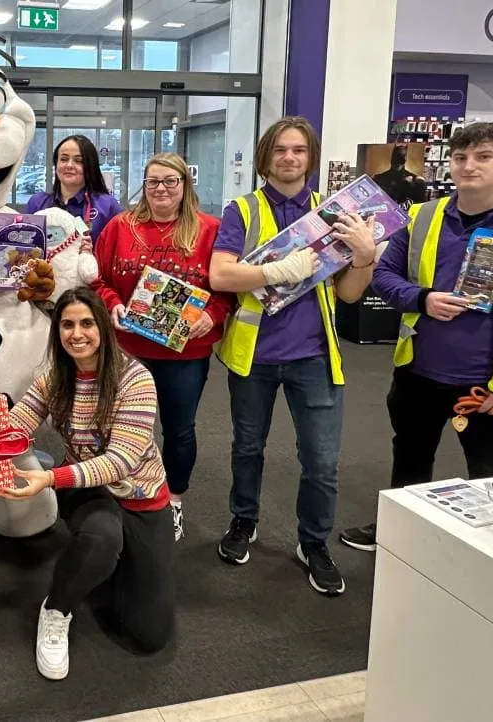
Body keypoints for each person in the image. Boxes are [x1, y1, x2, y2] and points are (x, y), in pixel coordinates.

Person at [339, 122, 493, 552]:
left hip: (491, 385)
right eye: (460, 158)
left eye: (483, 156)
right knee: (410, 459)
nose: (468, 166)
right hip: (418, 372)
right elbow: (384, 276)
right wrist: (422, 299)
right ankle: (397, 533)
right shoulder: (423, 216)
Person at [209, 116, 377, 596]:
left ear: (311, 157)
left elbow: (349, 293)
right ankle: (244, 520)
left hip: (314, 357)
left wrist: (364, 256)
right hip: (254, 356)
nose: (289, 158)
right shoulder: (243, 210)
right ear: (265, 156)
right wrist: (280, 270)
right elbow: (221, 276)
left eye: (299, 150)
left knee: (321, 462)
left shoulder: (336, 212)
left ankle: (313, 542)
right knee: (247, 447)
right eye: (280, 149)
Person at [5, 287, 173, 681]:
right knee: (101, 537)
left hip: (141, 495)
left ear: (103, 328)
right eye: (67, 325)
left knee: (148, 635)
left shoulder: (135, 379)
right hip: (85, 489)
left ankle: (110, 563)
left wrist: (49, 478)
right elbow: (14, 427)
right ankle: (56, 609)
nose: (76, 333)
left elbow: (120, 462)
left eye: (86, 323)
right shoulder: (53, 380)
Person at [90, 152, 231, 542]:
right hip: (127, 349)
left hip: (185, 354)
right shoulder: (120, 227)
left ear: (185, 185)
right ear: (144, 185)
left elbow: (227, 289)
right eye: (153, 181)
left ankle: (173, 501)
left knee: (179, 430)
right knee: (117, 426)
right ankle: (118, 494)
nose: (161, 189)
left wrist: (213, 315)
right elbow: (96, 280)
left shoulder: (210, 230)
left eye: (171, 181)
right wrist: (112, 303)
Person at [26, 134, 124, 245]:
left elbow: (120, 248)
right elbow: (25, 246)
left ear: (90, 166)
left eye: (79, 161)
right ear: (56, 163)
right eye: (64, 159)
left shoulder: (107, 206)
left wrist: (93, 251)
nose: (69, 165)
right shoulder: (37, 203)